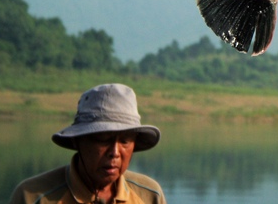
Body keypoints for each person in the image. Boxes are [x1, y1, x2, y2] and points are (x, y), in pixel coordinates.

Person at [9, 83, 166, 204]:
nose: (115, 152)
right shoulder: (33, 196)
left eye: (125, 141)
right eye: (103, 139)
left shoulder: (149, 195)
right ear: (78, 141)